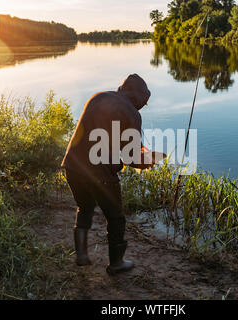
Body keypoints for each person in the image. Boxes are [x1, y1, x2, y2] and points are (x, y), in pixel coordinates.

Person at [61, 74, 164, 275]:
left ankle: (81, 256)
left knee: (85, 207)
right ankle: (116, 263)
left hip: (72, 166)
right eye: (143, 102)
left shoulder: (98, 97)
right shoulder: (132, 113)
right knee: (116, 217)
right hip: (100, 173)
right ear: (137, 98)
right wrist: (153, 159)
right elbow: (132, 158)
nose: (143, 106)